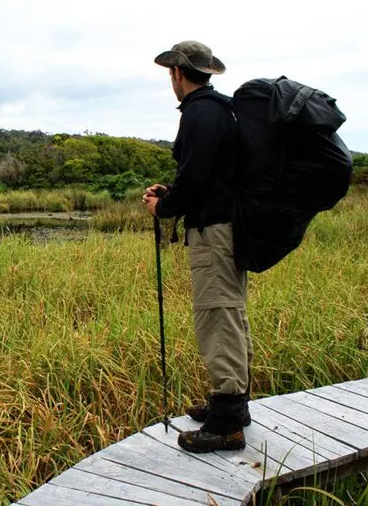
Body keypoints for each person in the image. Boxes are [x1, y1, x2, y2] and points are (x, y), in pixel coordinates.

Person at [142, 40, 253, 453]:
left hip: (214, 233)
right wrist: (172, 193)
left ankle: (226, 424)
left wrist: (164, 205)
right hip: (227, 226)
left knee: (216, 316)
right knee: (231, 313)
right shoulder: (219, 109)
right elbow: (208, 176)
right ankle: (233, 407)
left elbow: (198, 177)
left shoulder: (200, 113)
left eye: (171, 72)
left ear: (177, 73)